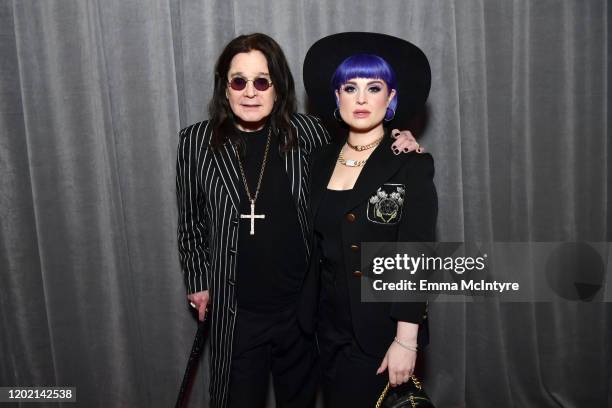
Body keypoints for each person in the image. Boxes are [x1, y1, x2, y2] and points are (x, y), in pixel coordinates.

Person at [176, 33, 419, 408]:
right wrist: (198, 283)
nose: (250, 92)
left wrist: (401, 138)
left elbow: (364, 142)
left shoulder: (308, 133)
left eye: (262, 81)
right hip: (236, 310)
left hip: (302, 311)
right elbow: (190, 223)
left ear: (278, 88)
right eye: (239, 81)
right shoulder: (195, 142)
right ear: (225, 89)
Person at [301, 33, 437, 407]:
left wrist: (406, 340)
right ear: (337, 97)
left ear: (390, 98)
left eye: (374, 87)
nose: (361, 99)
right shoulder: (316, 162)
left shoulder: (410, 162)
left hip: (379, 332)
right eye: (350, 87)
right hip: (324, 332)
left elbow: (415, 256)